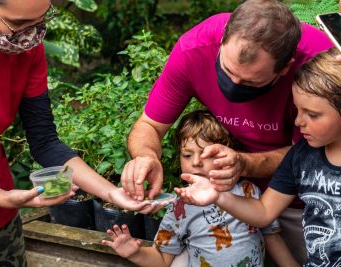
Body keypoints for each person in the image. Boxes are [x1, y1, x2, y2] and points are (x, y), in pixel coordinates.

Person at [0, 0, 154, 265]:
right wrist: (1, 197)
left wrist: (112, 194)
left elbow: (44, 141)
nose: (30, 35)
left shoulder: (24, 47)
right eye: (18, 24)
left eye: (40, 21)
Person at [120, 0, 333, 263]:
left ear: (286, 68)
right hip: (229, 196)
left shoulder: (320, 63)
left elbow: (313, 154)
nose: (234, 85)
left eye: (251, 82)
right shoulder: (194, 49)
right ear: (222, 41)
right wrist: (146, 156)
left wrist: (243, 163)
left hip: (302, 201)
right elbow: (149, 125)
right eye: (227, 70)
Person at [176, 48, 341, 266]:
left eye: (312, 114)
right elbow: (263, 212)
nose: (299, 122)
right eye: (297, 110)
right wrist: (218, 197)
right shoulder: (300, 157)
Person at [103, 110, 299, 267]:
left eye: (206, 154)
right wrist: (135, 253)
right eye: (187, 155)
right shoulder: (180, 207)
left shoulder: (249, 192)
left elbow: (272, 237)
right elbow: (162, 259)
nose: (196, 163)